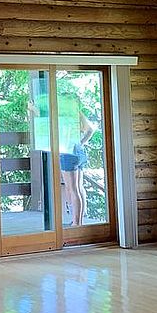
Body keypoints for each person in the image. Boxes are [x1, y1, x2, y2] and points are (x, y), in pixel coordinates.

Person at [57, 92, 96, 226]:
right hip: (79, 152)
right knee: (79, 188)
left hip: (68, 153)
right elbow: (90, 130)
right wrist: (80, 142)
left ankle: (76, 223)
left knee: (72, 189)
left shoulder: (63, 117)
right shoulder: (77, 113)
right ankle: (79, 221)